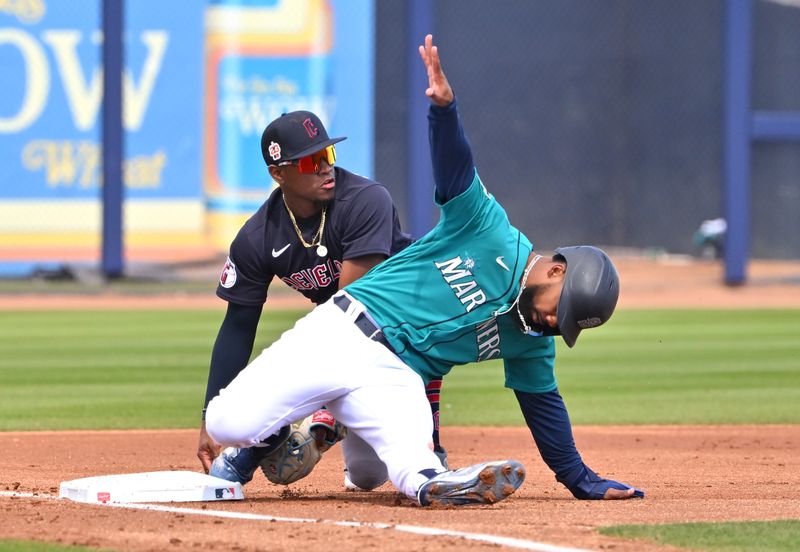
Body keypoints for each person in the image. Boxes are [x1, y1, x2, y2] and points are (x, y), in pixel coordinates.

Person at [205, 34, 644, 507]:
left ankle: (436, 481)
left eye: (570, 326)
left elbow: (543, 404)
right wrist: (444, 112)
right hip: (345, 333)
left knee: (390, 470)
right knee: (227, 422)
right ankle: (267, 441)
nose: (559, 325)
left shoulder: (534, 338)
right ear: (556, 271)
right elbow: (456, 169)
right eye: (567, 310)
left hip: (396, 373)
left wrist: (581, 480)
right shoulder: (487, 229)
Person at [198, 109, 446, 490]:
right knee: (365, 477)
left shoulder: (366, 200)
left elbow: (349, 305)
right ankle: (321, 420)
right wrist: (207, 415)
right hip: (337, 344)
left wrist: (290, 406)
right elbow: (237, 327)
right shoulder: (257, 237)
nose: (325, 167)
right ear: (278, 173)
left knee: (374, 473)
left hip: (400, 336)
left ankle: (327, 424)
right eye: (312, 161)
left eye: (328, 155)